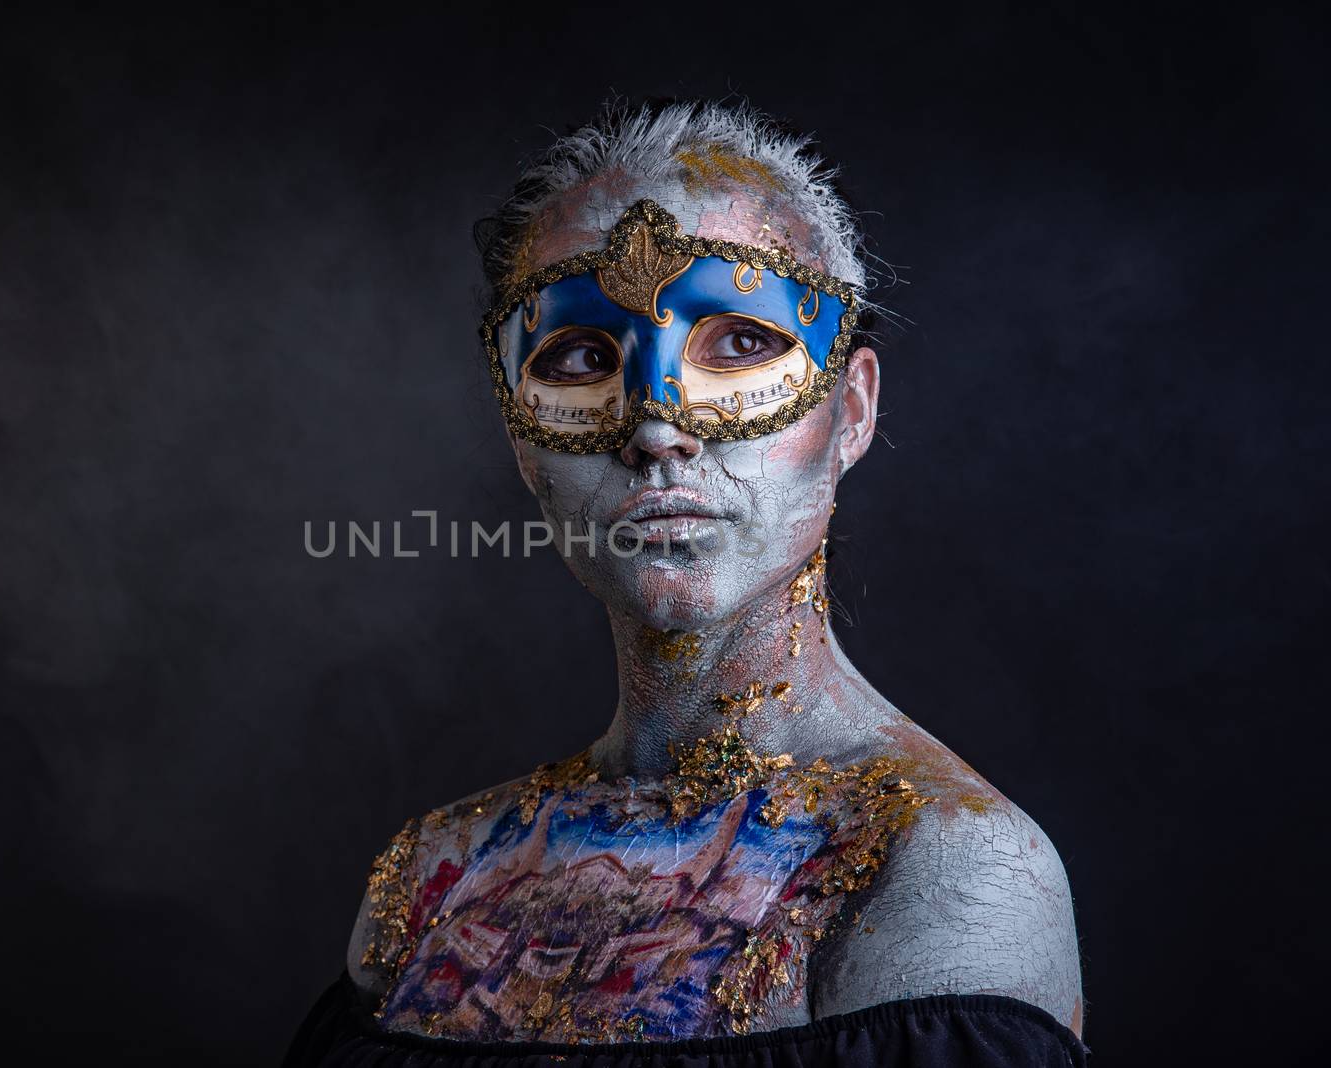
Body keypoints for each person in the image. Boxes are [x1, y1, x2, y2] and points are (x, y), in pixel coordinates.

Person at [287, 99, 1085, 1066]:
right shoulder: (427, 881)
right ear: (521, 442)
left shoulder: (940, 871)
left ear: (855, 410)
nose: (657, 429)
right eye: (580, 357)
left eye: (743, 344)